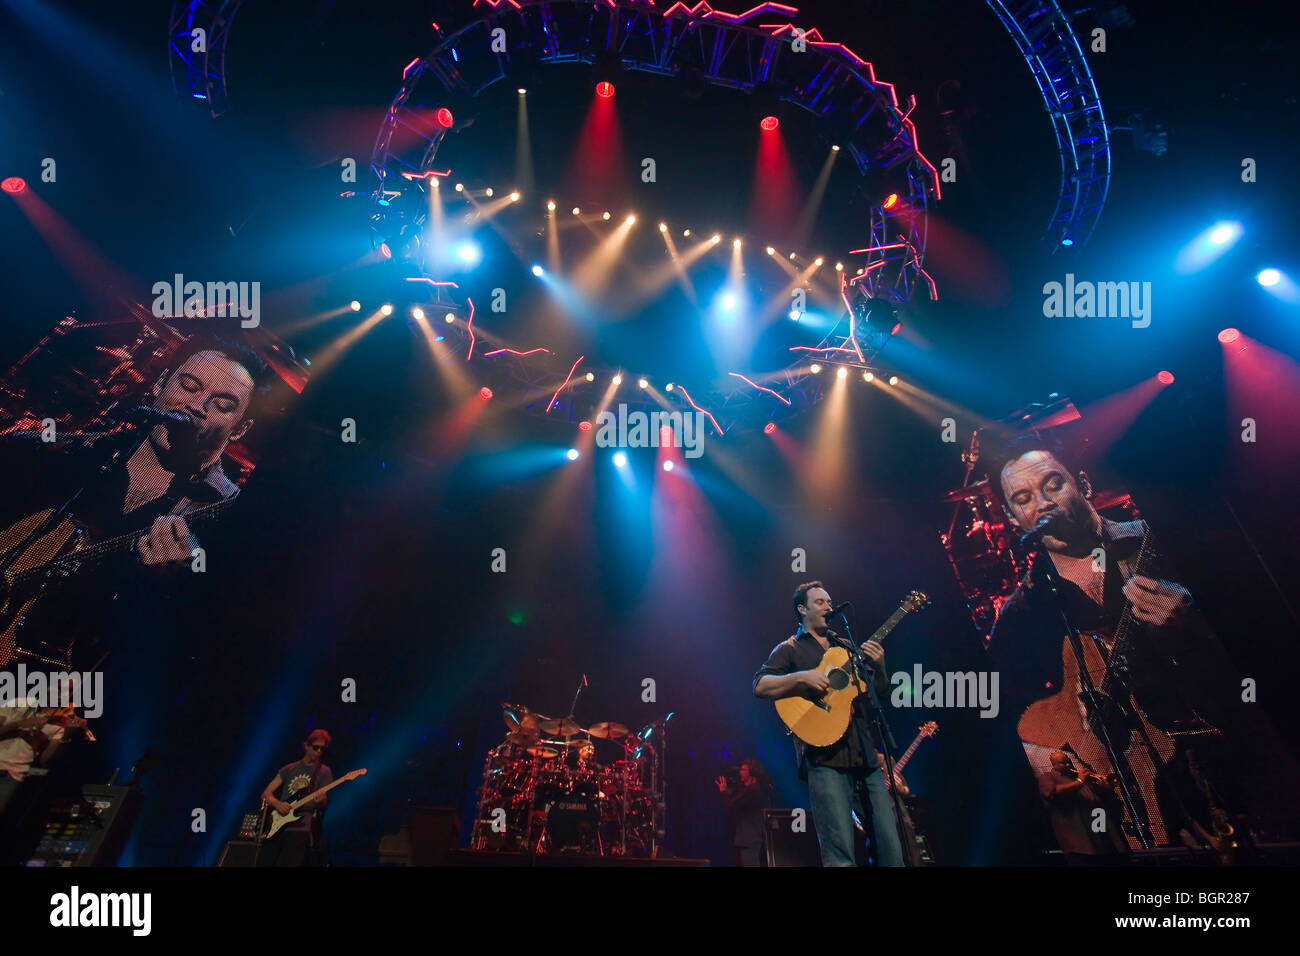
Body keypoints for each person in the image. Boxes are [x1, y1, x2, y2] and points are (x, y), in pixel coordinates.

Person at [987, 432, 1227, 850]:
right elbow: (1007, 721)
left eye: (1053, 484)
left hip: (1227, 750)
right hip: (1131, 789)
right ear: (1012, 519)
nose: (1042, 503)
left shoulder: (1156, 541)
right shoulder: (1022, 614)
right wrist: (1063, 763)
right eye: (1023, 498)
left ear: (1083, 482)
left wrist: (1197, 617)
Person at [0, 332, 270, 666]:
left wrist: (171, 587)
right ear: (159, 384)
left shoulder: (229, 517)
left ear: (240, 428)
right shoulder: (67, 454)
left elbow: (205, 649)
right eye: (188, 385)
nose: (195, 407)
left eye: (222, 405)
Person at [753, 581, 906, 867]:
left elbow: (879, 691)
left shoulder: (845, 647)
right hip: (824, 760)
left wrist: (881, 666)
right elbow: (760, 685)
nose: (828, 606)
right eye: (821, 602)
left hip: (866, 758)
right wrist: (802, 678)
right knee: (839, 855)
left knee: (890, 850)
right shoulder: (790, 648)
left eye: (829, 602)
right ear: (802, 609)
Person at [259, 729, 334, 867]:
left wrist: (320, 801)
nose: (319, 751)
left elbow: (323, 804)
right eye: (315, 747)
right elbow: (266, 794)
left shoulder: (324, 771)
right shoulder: (289, 769)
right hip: (276, 827)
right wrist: (277, 804)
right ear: (306, 746)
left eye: (322, 749)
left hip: (300, 829)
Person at [1038, 750, 1129, 862]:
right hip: (1081, 845)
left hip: (1102, 835)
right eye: (1063, 763)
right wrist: (1080, 781)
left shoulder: (1078, 776)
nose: (1068, 765)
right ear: (1054, 765)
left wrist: (1106, 787)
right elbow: (1052, 792)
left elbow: (1098, 801)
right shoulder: (1048, 777)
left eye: (1069, 761)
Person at [715, 758, 771, 866]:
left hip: (749, 839)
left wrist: (723, 792)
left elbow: (732, 805)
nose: (740, 771)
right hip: (747, 839)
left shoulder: (753, 790)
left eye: (743, 769)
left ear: (752, 772)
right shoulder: (750, 789)